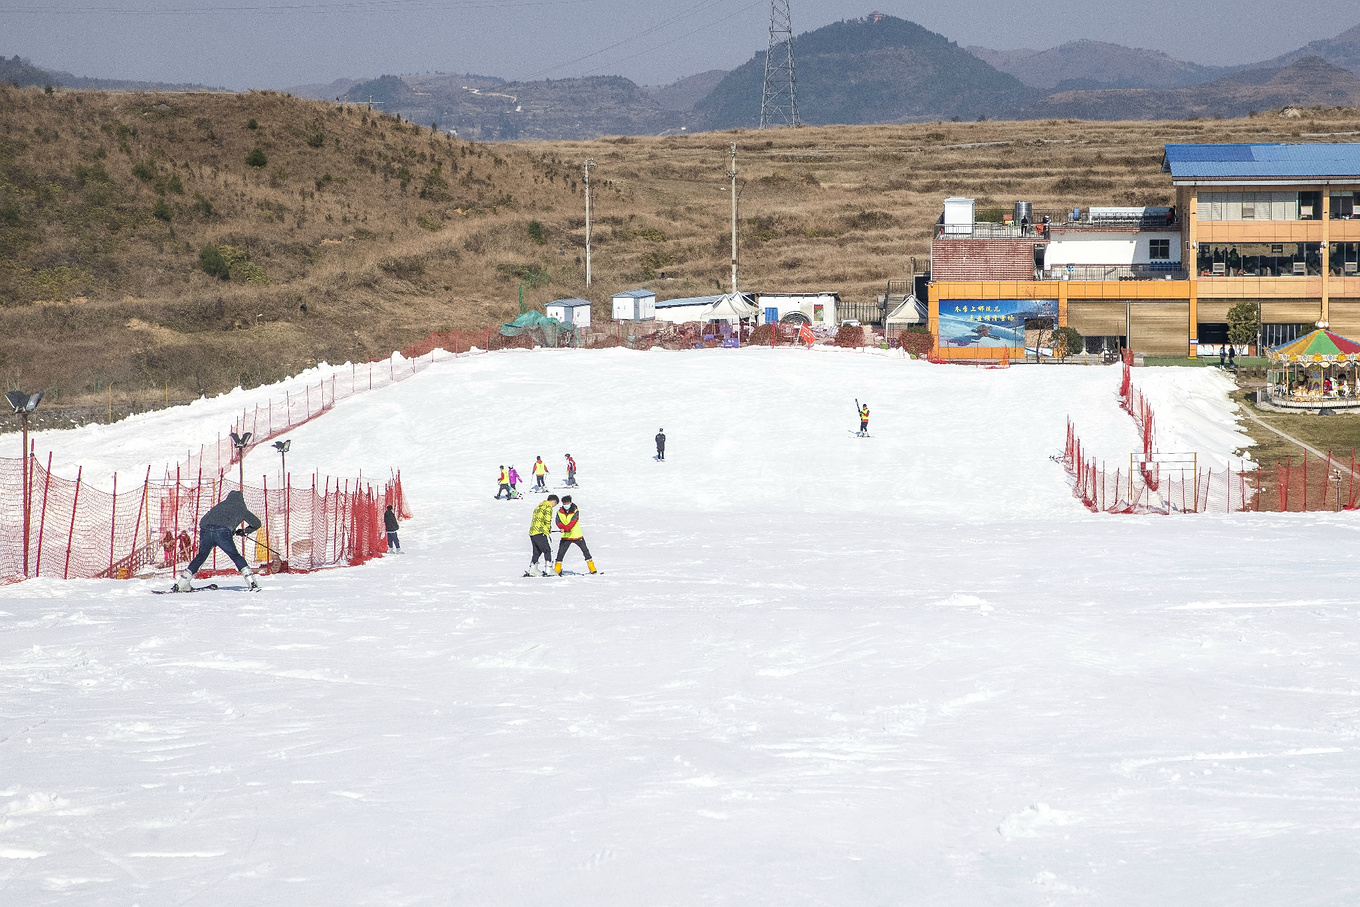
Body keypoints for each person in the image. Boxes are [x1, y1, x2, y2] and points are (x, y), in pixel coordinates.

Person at [175, 489, 261, 591]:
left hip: (205, 530)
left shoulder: (220, 505)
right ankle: (252, 582)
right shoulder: (241, 508)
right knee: (235, 556)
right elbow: (256, 523)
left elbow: (204, 520)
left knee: (201, 557)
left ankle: (182, 584)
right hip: (222, 533)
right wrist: (245, 531)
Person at [553, 495, 596, 575]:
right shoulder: (559, 512)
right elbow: (558, 522)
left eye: (567, 503)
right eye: (564, 503)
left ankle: (592, 568)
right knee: (560, 554)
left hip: (577, 535)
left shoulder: (575, 511)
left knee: (585, 552)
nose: (566, 505)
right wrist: (561, 527)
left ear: (570, 502)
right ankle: (557, 569)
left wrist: (565, 529)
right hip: (566, 537)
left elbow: (573, 522)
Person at [526, 494, 558, 577]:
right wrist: (548, 528)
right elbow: (547, 519)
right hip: (540, 531)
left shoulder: (539, 507)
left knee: (537, 551)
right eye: (555, 504)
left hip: (533, 532)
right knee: (547, 550)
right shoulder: (548, 507)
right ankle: (548, 569)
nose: (554, 506)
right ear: (553, 501)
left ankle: (533, 568)